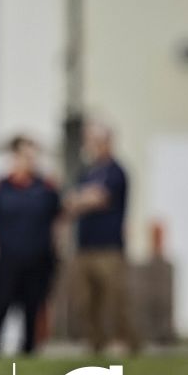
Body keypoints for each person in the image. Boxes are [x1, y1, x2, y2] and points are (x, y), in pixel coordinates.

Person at [0, 136, 62, 355]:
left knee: (33, 305)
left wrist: (57, 248)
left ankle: (29, 348)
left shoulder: (46, 188)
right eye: (25, 155)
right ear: (14, 157)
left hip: (38, 257)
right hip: (8, 257)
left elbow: (59, 220)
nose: (30, 160)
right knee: (3, 303)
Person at [66, 122, 139, 354]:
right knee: (86, 301)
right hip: (85, 247)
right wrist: (81, 199)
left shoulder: (116, 171)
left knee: (114, 300)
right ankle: (95, 344)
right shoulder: (87, 171)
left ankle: (125, 342)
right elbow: (72, 201)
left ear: (105, 141)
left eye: (92, 140)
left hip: (109, 248)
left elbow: (98, 198)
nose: (89, 145)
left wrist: (81, 199)